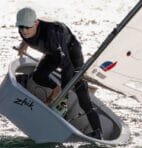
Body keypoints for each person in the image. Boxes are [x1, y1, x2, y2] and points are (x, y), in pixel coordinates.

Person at [14, 7, 103, 139]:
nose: (24, 31)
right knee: (38, 76)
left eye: (27, 27)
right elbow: (28, 35)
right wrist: (23, 44)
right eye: (21, 27)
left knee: (77, 93)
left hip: (71, 54)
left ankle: (97, 132)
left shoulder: (52, 34)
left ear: (36, 23)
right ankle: (56, 89)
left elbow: (66, 65)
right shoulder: (24, 30)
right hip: (53, 52)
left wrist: (65, 89)